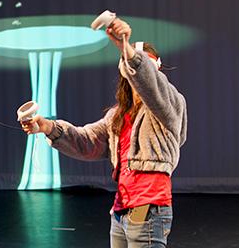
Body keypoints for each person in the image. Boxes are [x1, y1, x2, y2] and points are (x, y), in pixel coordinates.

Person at [21, 17, 187, 248]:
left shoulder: (170, 104)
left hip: (147, 208)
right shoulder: (118, 116)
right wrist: (47, 126)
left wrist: (124, 46)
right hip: (120, 211)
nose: (136, 75)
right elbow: (86, 141)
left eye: (142, 68)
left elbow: (151, 83)